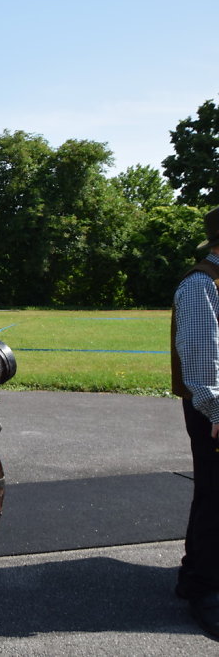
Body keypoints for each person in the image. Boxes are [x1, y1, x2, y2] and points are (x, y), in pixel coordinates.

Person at [172, 205, 219, 639]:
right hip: (215, 412)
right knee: (215, 496)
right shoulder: (201, 284)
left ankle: (199, 576)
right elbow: (202, 366)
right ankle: (204, 588)